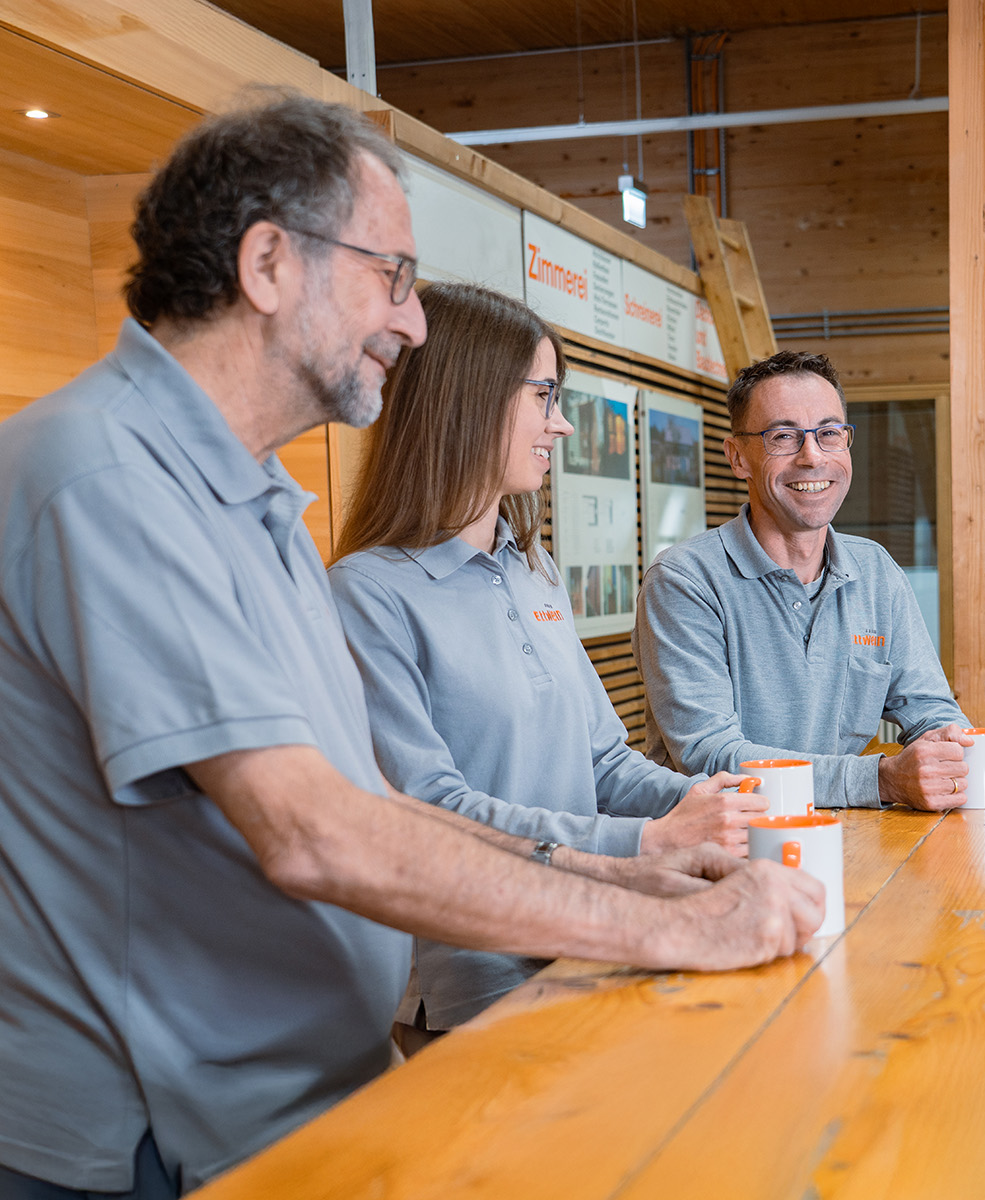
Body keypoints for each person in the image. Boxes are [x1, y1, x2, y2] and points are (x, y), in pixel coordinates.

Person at [0, 94, 821, 1199]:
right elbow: (312, 835)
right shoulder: (106, 479)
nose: (415, 324)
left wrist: (651, 875)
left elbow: (380, 806)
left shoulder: (252, 504)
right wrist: (665, 926)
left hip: (290, 1100)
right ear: (267, 264)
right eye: (390, 277)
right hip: (157, 1142)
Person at [329, 282, 767, 1031]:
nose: (561, 425)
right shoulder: (367, 594)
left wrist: (706, 803)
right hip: (470, 980)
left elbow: (602, 759)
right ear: (470, 400)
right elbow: (431, 809)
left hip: (590, 938)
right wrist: (646, 841)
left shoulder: (536, 569)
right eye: (544, 397)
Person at [633, 350, 985, 810]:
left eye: (829, 433)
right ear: (738, 458)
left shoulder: (876, 571)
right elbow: (712, 757)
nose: (812, 456)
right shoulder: (683, 581)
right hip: (720, 850)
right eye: (783, 437)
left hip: (841, 839)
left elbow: (930, 709)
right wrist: (879, 781)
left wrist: (960, 750)